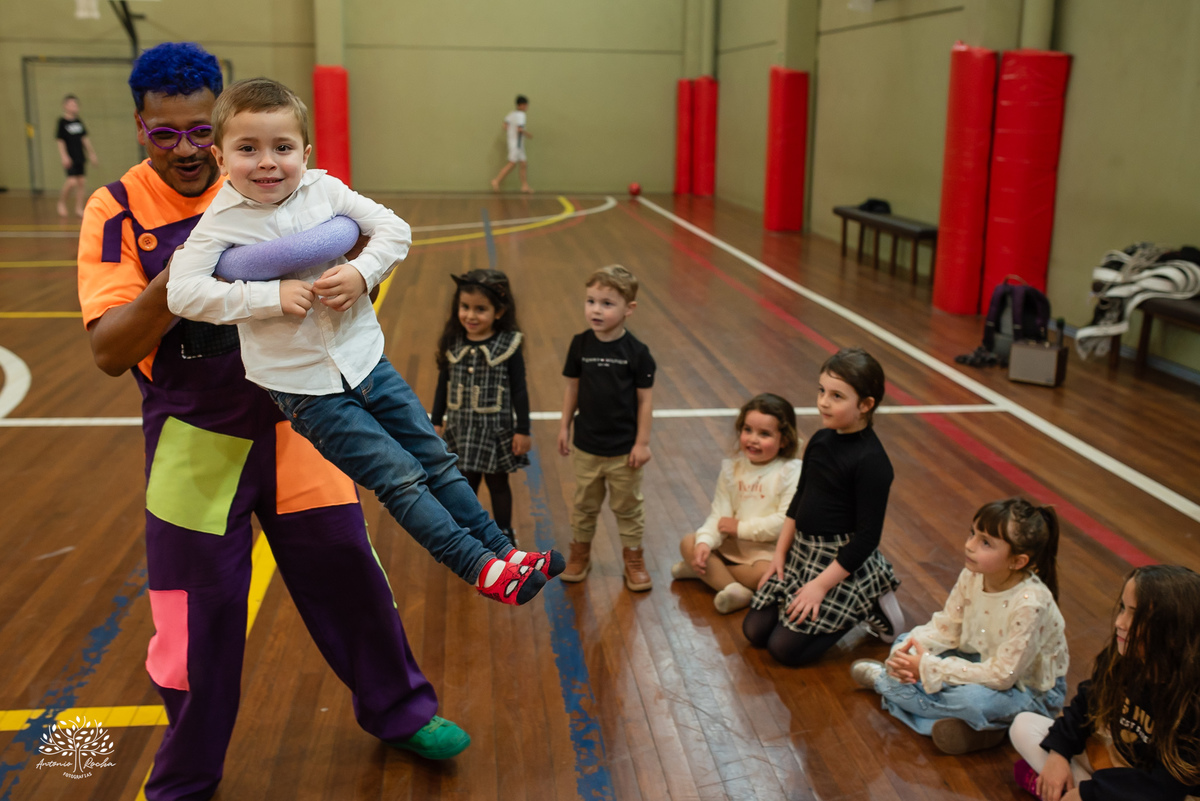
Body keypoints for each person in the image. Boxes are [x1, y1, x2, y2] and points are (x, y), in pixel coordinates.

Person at [77, 43, 467, 801]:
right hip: (196, 439)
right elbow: (107, 350)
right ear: (140, 128)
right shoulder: (116, 208)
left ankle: (400, 710)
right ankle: (189, 771)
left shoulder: (297, 191)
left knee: (352, 575)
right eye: (167, 134)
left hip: (301, 425)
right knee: (192, 620)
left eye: (200, 130)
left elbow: (358, 276)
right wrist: (185, 275)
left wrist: (351, 279)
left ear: (221, 122)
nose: (187, 150)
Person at [166, 77, 562, 608]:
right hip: (304, 387)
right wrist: (268, 297)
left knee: (435, 458)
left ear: (305, 152)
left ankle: (501, 551)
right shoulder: (219, 225)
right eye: (247, 149)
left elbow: (395, 230)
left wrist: (361, 272)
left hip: (365, 359)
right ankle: (478, 567)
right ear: (219, 157)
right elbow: (182, 294)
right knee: (398, 477)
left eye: (282, 148)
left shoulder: (327, 191)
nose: (267, 163)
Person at [850, 498, 1069, 755]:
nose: (970, 545)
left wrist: (928, 669)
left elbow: (1003, 676)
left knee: (975, 702)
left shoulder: (1031, 604)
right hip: (977, 659)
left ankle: (885, 686)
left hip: (1026, 690)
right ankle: (979, 731)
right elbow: (946, 628)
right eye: (973, 534)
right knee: (904, 642)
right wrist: (908, 654)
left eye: (985, 542)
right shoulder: (973, 574)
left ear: (1017, 561)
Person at [743, 347, 904, 666]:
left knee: (784, 650)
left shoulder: (872, 463)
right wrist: (780, 554)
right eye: (821, 391)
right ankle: (811, 607)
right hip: (802, 552)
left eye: (837, 396)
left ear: (866, 405)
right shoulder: (820, 439)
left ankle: (867, 603)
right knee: (755, 632)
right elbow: (800, 497)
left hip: (840, 564)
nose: (823, 402)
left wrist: (819, 587)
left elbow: (866, 539)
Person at [1009, 564, 1200, 801]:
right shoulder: (1122, 659)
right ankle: (1062, 787)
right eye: (1122, 608)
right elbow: (1084, 706)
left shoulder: (1191, 701)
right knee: (1023, 725)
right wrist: (1058, 754)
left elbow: (1164, 786)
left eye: (1136, 615)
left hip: (1161, 792)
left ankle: (1057, 790)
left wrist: (1090, 793)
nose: (1120, 622)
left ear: (1173, 632)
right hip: (1117, 764)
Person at [557, 264, 656, 591]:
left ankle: (633, 558)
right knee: (584, 505)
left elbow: (645, 401)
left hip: (624, 451)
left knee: (628, 508)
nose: (596, 310)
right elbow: (572, 388)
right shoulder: (580, 344)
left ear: (630, 309)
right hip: (587, 446)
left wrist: (641, 443)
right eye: (591, 301)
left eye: (607, 303)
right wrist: (564, 427)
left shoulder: (638, 353)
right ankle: (579, 553)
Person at [673, 393, 803, 614]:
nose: (752, 439)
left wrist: (740, 528)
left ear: (785, 440)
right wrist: (706, 542)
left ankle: (708, 574)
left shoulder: (791, 472)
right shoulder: (732, 470)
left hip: (765, 552)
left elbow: (784, 523)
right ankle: (733, 589)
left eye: (764, 434)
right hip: (731, 545)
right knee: (689, 542)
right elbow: (719, 516)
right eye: (747, 430)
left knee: (765, 575)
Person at [430, 269, 530, 546]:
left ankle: (505, 534)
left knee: (498, 485)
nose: (471, 316)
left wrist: (522, 430)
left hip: (494, 430)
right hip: (461, 430)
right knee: (464, 484)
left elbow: (520, 390)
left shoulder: (509, 345)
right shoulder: (453, 342)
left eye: (480, 309)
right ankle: (468, 532)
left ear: (499, 312)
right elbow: (443, 385)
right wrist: (436, 421)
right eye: (465, 307)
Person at [56, 94, 98, 217]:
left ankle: (79, 208)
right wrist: (64, 156)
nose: (74, 106)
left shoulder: (78, 121)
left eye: (75, 104)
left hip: (80, 155)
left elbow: (84, 139)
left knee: (81, 182)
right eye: (71, 104)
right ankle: (61, 202)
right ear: (65, 106)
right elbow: (60, 141)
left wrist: (91, 153)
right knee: (72, 182)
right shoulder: (62, 122)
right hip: (70, 157)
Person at [490, 94, 532, 193]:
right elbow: (520, 129)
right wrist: (528, 134)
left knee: (523, 163)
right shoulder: (521, 115)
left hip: (516, 143)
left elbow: (504, 125)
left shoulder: (511, 114)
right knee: (512, 163)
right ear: (521, 105)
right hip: (516, 144)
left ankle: (525, 186)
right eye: (526, 105)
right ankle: (496, 181)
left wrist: (510, 132)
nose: (526, 107)